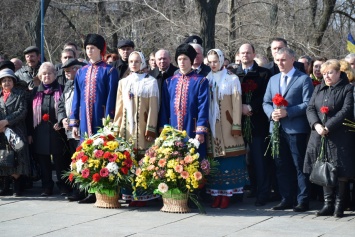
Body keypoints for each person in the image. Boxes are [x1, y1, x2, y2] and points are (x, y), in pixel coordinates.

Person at [69, 33, 119, 203]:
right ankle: (85, 188)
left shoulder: (110, 71)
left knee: (101, 153)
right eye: (87, 48)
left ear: (100, 50)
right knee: (85, 153)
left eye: (93, 48)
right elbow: (76, 98)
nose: (89, 51)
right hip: (84, 120)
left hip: (100, 119)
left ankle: (99, 190)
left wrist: (109, 120)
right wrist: (74, 121)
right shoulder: (81, 72)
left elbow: (111, 97)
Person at [263, 47, 314, 212]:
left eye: (283, 60)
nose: (280, 63)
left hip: (295, 129)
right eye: (277, 60)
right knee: (281, 165)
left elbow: (308, 103)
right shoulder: (273, 79)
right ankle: (286, 198)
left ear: (292, 60)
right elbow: (266, 102)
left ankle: (302, 200)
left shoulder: (303, 79)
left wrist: (288, 112)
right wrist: (272, 114)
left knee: (299, 165)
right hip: (276, 129)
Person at [304, 59, 354, 218]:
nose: (326, 76)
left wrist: (329, 126)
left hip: (339, 136)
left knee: (340, 171)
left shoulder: (347, 89)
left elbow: (346, 110)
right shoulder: (318, 89)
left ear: (339, 72)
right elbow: (310, 108)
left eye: (330, 73)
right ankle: (328, 204)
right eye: (324, 74)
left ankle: (339, 205)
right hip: (319, 135)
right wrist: (316, 125)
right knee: (323, 167)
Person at [114, 51, 159, 206]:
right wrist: (116, 128)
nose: (133, 64)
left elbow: (154, 107)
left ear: (143, 63)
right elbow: (119, 107)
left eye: (137, 61)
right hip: (127, 130)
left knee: (143, 162)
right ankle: (129, 194)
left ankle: (143, 195)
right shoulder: (123, 82)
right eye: (131, 61)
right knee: (128, 161)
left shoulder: (150, 82)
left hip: (143, 128)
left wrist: (151, 128)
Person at [205, 49, 248, 209]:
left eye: (215, 61)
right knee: (215, 163)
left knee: (229, 161)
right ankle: (216, 194)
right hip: (212, 128)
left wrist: (236, 124)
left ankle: (227, 196)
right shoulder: (207, 78)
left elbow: (237, 103)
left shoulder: (232, 79)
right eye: (210, 62)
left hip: (228, 126)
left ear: (222, 60)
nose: (213, 64)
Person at [234, 43, 272, 206]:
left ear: (254, 54)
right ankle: (244, 190)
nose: (245, 55)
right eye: (242, 53)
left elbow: (266, 95)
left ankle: (263, 193)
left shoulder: (264, 73)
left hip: (258, 122)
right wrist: (240, 107)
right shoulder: (234, 74)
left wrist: (250, 107)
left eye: (248, 53)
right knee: (242, 160)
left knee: (259, 159)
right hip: (238, 122)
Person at [159, 43, 209, 160]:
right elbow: (165, 108)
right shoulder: (168, 82)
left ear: (191, 61)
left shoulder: (201, 81)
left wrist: (200, 130)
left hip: (192, 128)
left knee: (194, 162)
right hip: (173, 129)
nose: (182, 62)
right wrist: (163, 130)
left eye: (185, 59)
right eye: (179, 59)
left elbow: (203, 106)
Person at [28, 62, 71, 196]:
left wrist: (61, 121)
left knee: (60, 160)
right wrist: (29, 133)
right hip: (40, 131)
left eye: (50, 73)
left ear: (55, 75)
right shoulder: (35, 92)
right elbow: (29, 115)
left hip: (57, 131)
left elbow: (65, 109)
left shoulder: (62, 89)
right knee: (43, 160)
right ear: (40, 76)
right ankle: (47, 186)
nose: (47, 76)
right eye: (44, 73)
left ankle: (63, 185)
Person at [0, 69, 30, 196]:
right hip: (1, 132)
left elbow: (22, 111)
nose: (7, 83)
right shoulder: (0, 96)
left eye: (9, 80)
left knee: (18, 158)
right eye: (4, 80)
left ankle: (17, 186)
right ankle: (6, 186)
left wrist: (6, 121)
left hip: (16, 131)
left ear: (13, 81)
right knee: (4, 157)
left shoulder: (20, 94)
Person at [57, 58, 83, 202]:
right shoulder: (67, 85)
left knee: (81, 159)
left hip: (81, 128)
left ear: (77, 69)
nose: (67, 74)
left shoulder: (82, 83)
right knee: (74, 160)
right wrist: (63, 119)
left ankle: (81, 190)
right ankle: (76, 189)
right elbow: (61, 104)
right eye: (65, 71)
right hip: (69, 130)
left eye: (69, 71)